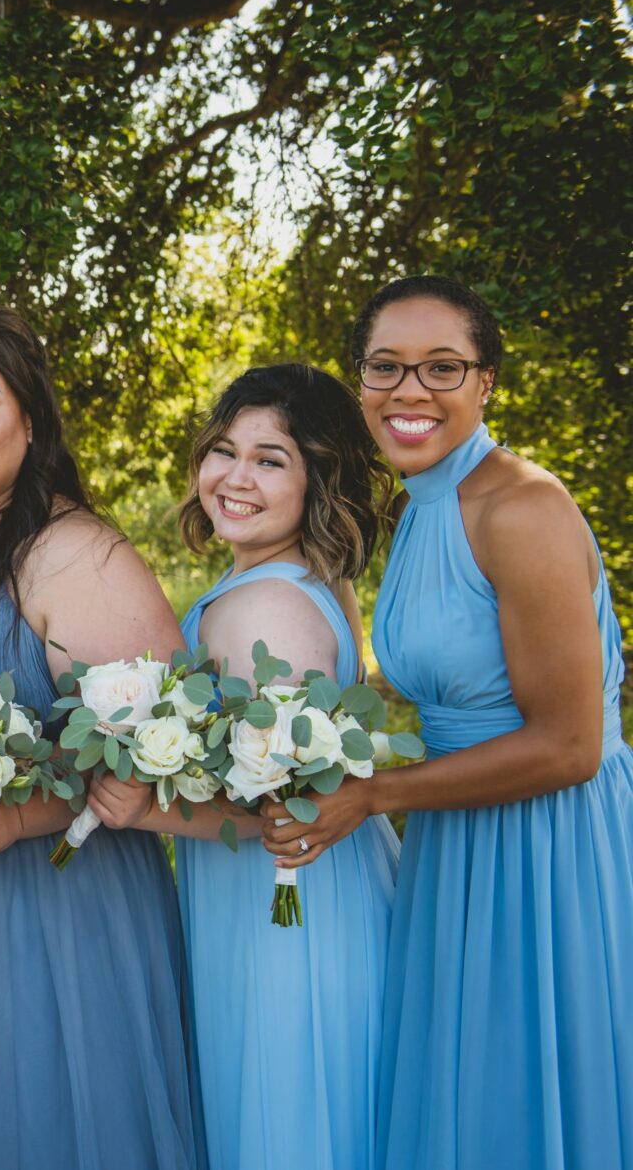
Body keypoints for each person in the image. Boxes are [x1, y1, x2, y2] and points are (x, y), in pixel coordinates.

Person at [261, 276, 633, 1168]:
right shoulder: (421, 506)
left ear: (486, 382)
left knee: (526, 1096)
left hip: (549, 842)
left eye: (442, 368)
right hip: (457, 832)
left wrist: (375, 793)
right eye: (385, 367)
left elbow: (572, 746)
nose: (410, 391)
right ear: (361, 382)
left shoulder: (523, 508)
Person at [0, 304, 201, 1170]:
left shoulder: (78, 554)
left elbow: (163, 752)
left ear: (29, 421)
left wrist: (25, 812)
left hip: (54, 908)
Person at [92, 362, 399, 1170]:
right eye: (224, 450)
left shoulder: (268, 607)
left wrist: (138, 807)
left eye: (271, 459)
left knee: (285, 1116)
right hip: (264, 900)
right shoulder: (285, 581)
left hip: (284, 916)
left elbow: (291, 812)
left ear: (318, 480)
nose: (234, 477)